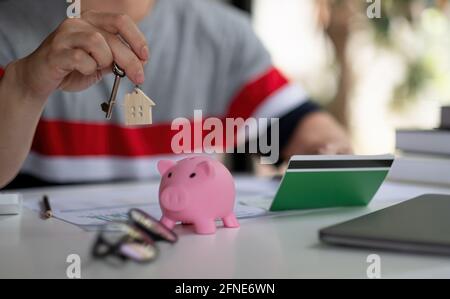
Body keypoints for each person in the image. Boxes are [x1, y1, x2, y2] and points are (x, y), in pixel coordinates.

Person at [0, 0, 352, 189]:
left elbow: (304, 127)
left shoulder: (224, 34)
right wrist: (24, 87)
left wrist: (327, 148)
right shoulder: (9, 28)